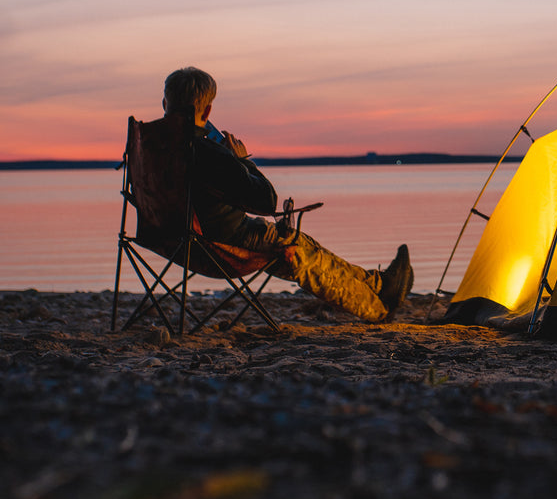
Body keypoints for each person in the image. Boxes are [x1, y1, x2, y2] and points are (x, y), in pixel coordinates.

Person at [162, 67, 413, 322]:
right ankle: (378, 307)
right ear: (207, 112)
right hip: (219, 246)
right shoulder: (208, 153)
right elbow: (266, 201)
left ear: (165, 104)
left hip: (169, 239)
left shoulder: (153, 148)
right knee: (294, 250)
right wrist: (242, 161)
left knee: (296, 241)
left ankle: (379, 285)